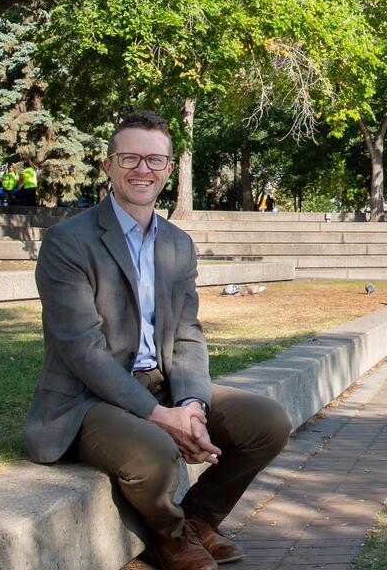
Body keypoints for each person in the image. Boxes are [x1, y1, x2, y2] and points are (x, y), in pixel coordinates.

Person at [25, 111, 292, 570]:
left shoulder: (177, 244)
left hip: (162, 383)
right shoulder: (68, 242)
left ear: (169, 169)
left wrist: (191, 405)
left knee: (267, 422)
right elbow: (81, 350)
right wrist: (158, 417)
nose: (142, 169)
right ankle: (168, 536)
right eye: (129, 157)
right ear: (108, 165)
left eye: (154, 160)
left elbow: (187, 334)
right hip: (87, 399)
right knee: (155, 452)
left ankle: (197, 520)